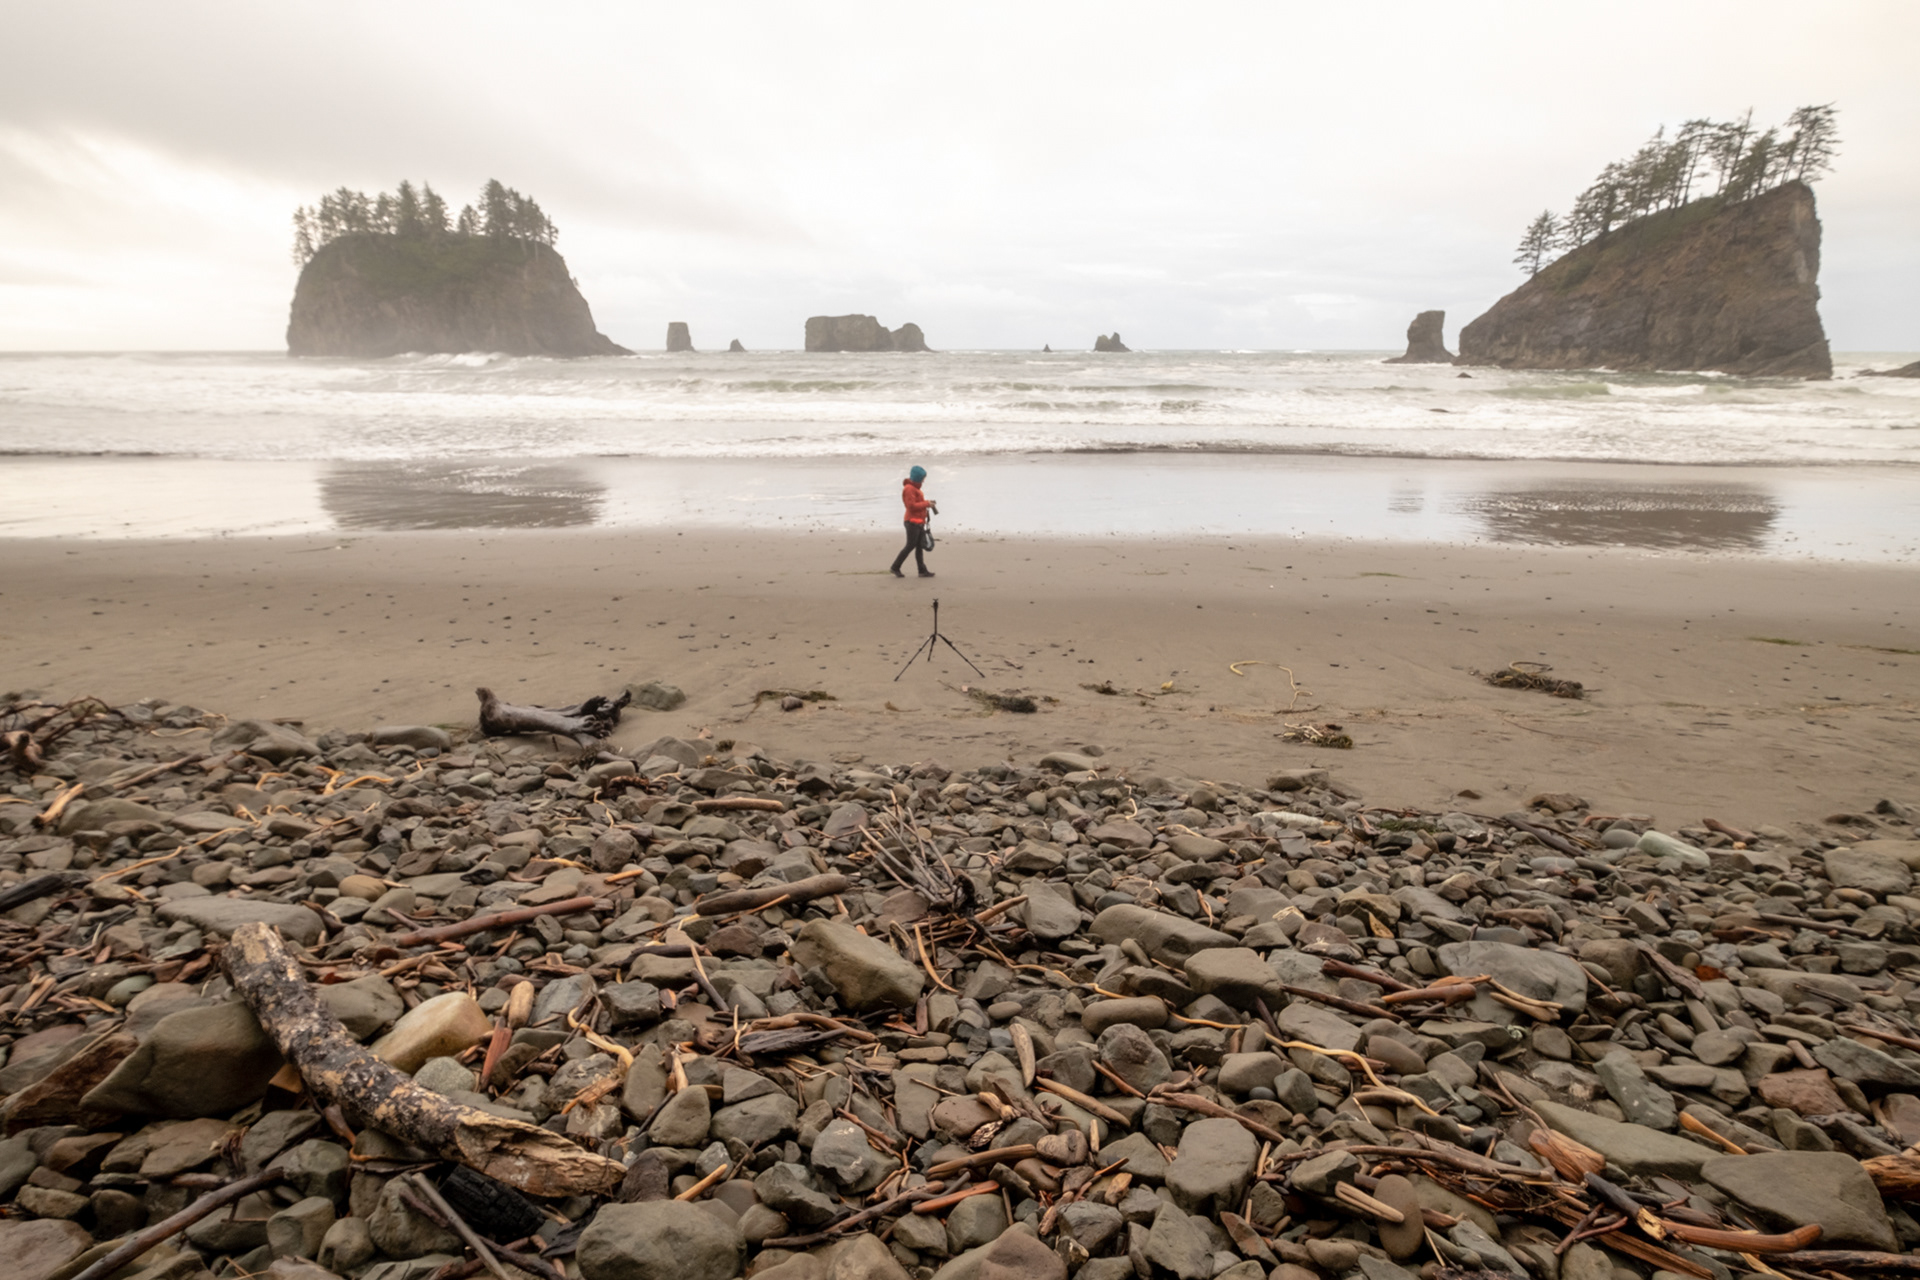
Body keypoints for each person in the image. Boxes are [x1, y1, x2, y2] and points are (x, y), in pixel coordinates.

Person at [890, 464, 937, 578]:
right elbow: (910, 506)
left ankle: (922, 570)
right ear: (917, 478)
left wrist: (928, 502)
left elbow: (917, 503)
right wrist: (926, 504)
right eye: (923, 478)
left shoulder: (915, 488)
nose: (924, 481)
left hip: (918, 521)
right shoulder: (909, 489)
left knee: (919, 546)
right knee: (910, 546)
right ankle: (895, 567)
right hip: (911, 522)